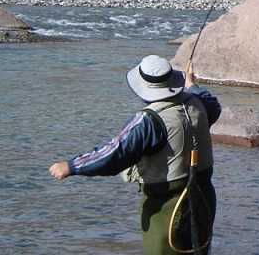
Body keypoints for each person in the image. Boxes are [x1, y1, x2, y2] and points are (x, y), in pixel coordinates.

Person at [49, 55, 221, 254]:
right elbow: (213, 105)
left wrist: (72, 166)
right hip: (204, 199)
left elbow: (114, 154)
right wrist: (192, 85)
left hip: (167, 206)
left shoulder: (148, 121)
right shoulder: (198, 102)